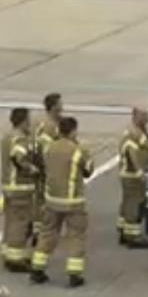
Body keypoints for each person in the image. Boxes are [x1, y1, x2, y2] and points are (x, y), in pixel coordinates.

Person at [31, 117, 92, 287]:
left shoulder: (49, 147)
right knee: (76, 236)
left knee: (47, 233)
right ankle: (74, 274)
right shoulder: (78, 150)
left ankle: (37, 268)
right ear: (73, 131)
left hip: (52, 200)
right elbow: (88, 170)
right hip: (73, 201)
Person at [1, 109, 38, 272]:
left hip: (8, 185)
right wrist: (32, 169)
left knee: (10, 220)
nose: (30, 123)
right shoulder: (21, 139)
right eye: (28, 120)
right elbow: (19, 157)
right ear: (23, 121)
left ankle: (8, 250)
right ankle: (15, 259)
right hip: (20, 187)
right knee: (20, 222)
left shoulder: (6, 137)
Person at [117, 106, 148, 249]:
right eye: (144, 115)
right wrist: (140, 172)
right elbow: (132, 153)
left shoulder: (139, 131)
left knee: (127, 202)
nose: (147, 118)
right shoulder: (134, 134)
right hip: (133, 175)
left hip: (130, 174)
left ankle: (123, 229)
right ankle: (132, 236)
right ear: (136, 116)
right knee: (135, 203)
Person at [30, 93, 62, 244]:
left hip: (36, 161)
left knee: (38, 196)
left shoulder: (38, 122)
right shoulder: (51, 126)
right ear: (54, 106)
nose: (63, 107)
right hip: (45, 164)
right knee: (45, 197)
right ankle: (42, 229)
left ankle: (37, 227)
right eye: (60, 104)